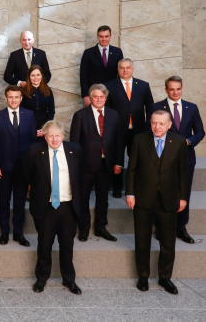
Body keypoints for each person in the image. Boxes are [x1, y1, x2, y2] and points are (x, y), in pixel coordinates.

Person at [126, 110, 188, 295]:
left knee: (168, 242)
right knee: (142, 239)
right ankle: (143, 277)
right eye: (154, 123)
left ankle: (165, 278)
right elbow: (132, 170)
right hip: (143, 199)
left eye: (161, 123)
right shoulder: (139, 139)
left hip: (169, 200)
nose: (157, 127)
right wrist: (130, 193)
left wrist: (183, 197)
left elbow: (183, 173)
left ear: (169, 125)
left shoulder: (178, 142)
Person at [25, 120, 83, 295]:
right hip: (46, 207)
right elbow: (26, 175)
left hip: (68, 206)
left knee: (67, 246)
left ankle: (69, 280)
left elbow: (80, 177)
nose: (54, 139)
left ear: (63, 136)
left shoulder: (75, 150)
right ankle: (41, 279)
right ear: (45, 136)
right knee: (44, 245)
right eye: (51, 136)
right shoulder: (35, 151)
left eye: (58, 136)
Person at [152, 76, 204, 244]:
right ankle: (161, 228)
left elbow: (200, 132)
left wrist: (189, 141)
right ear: (166, 89)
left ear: (182, 89)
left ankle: (181, 228)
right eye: (172, 89)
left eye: (178, 88)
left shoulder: (192, 107)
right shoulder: (157, 107)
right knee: (162, 193)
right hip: (162, 159)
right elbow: (151, 131)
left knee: (184, 193)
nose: (175, 92)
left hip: (186, 158)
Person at [69, 84, 124, 242]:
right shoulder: (80, 115)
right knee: (83, 198)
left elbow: (119, 141)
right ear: (90, 98)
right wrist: (75, 165)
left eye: (102, 97)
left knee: (103, 198)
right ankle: (84, 227)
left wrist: (119, 162)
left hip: (107, 164)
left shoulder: (114, 115)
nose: (98, 99)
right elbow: (74, 143)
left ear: (106, 98)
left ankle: (100, 227)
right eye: (95, 97)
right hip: (85, 165)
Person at [0, 85, 37, 247]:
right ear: (6, 98)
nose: (14, 100)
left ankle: (18, 233)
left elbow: (33, 144)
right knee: (3, 201)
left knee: (20, 201)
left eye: (17, 97)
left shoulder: (29, 116)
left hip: (23, 169)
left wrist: (31, 169)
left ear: (21, 98)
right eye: (10, 97)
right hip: (3, 168)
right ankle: (4, 232)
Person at [105, 58, 153, 198]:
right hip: (117, 130)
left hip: (138, 131)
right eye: (121, 68)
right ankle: (117, 189)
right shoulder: (110, 86)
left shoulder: (143, 86)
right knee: (117, 160)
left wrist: (148, 128)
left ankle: (134, 189)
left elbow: (150, 107)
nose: (125, 70)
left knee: (137, 160)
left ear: (132, 69)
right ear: (118, 69)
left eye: (128, 67)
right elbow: (106, 110)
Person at [79, 25, 123, 107]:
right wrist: (85, 96)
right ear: (97, 37)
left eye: (106, 36)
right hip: (94, 95)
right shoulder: (88, 53)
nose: (104, 39)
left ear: (110, 36)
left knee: (111, 117)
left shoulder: (117, 52)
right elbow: (83, 76)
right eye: (101, 36)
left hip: (113, 94)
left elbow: (121, 73)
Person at [21, 65, 55, 138]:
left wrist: (45, 128)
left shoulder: (48, 90)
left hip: (44, 128)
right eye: (33, 75)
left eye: (38, 75)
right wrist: (31, 129)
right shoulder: (23, 91)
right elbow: (21, 112)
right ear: (29, 77)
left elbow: (51, 111)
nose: (36, 78)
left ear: (42, 76)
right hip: (27, 127)